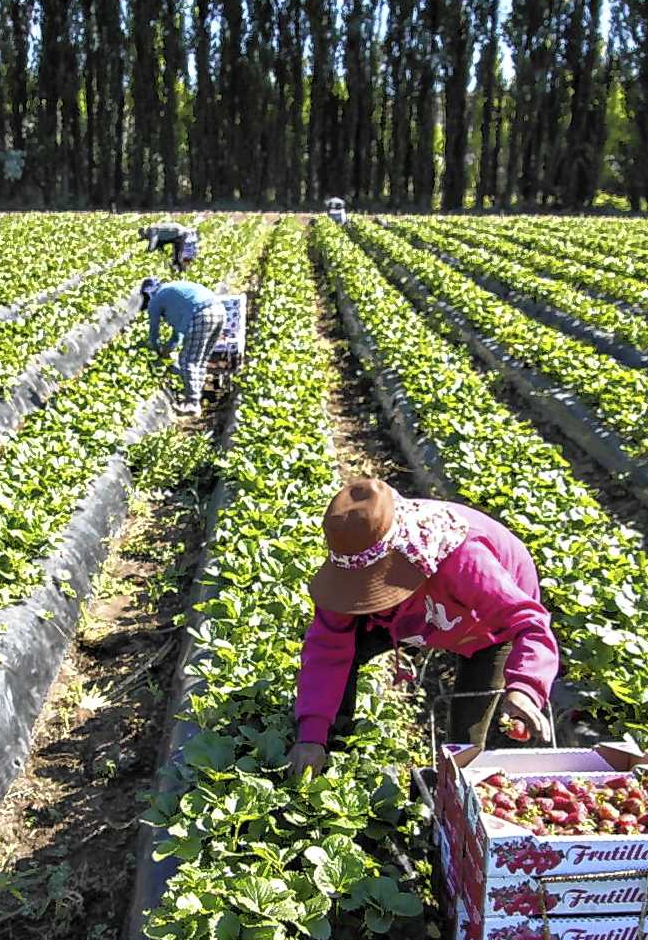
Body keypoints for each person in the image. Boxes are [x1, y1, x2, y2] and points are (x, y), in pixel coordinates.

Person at [291, 478, 559, 778]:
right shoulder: (346, 572)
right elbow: (327, 649)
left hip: (485, 625)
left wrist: (525, 688)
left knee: (466, 736)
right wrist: (312, 735)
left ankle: (450, 790)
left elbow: (529, 623)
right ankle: (333, 752)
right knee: (346, 655)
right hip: (420, 614)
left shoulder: (463, 558)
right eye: (362, 589)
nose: (366, 597)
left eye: (374, 586)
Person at [140, 276, 227, 416]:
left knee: (188, 360)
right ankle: (196, 396)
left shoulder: (156, 300)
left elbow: (153, 334)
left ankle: (192, 403)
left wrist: (156, 350)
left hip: (202, 314)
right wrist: (168, 349)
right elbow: (177, 335)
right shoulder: (172, 294)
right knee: (200, 360)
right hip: (219, 310)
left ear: (148, 294)